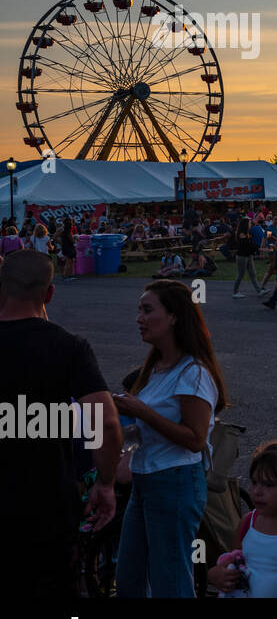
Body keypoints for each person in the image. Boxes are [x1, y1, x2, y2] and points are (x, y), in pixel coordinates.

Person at [0, 250, 123, 596]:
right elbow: (107, 424)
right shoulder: (68, 348)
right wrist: (106, 483)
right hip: (47, 510)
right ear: (50, 293)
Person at [112, 279, 230, 596]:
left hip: (175, 481)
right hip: (146, 480)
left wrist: (141, 410)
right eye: (139, 310)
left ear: (174, 317)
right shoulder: (155, 369)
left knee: (171, 583)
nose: (139, 318)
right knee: (128, 579)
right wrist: (121, 434)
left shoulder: (193, 372)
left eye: (147, 310)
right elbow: (145, 431)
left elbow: (194, 439)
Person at [209, 438, 277, 598]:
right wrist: (215, 575)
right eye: (254, 482)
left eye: (269, 485)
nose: (257, 491)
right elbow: (234, 562)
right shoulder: (247, 523)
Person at [59, 217, 77, 281]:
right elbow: (72, 241)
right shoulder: (68, 232)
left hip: (65, 247)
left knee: (70, 261)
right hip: (69, 248)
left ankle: (69, 275)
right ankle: (65, 276)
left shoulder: (63, 231)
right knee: (68, 262)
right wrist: (76, 238)